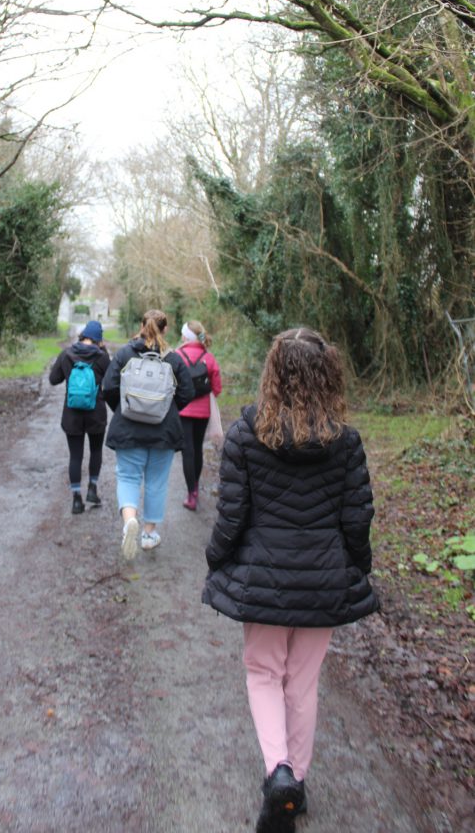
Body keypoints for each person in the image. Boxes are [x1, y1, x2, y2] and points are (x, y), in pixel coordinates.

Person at [202, 327, 378, 833]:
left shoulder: (245, 434)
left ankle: (278, 770)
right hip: (324, 580)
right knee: (303, 682)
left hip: (261, 577)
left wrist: (217, 560)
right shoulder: (345, 442)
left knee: (262, 672)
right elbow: (356, 519)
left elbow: (231, 517)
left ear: (272, 374)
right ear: (329, 376)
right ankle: (295, 783)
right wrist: (356, 569)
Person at [102, 309, 194, 559]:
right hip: (163, 433)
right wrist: (167, 410)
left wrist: (124, 409)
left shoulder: (124, 353)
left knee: (128, 478)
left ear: (141, 326)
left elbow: (108, 387)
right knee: (156, 483)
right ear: (165, 329)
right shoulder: (173, 359)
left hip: (128, 430)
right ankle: (149, 534)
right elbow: (188, 391)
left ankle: (129, 520)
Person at [49, 320, 110, 515]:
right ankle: (92, 489)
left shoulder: (66, 354)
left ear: (82, 335)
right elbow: (111, 383)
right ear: (98, 339)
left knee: (75, 456)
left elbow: (53, 379)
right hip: (96, 413)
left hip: (72, 414)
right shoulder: (102, 357)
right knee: (96, 451)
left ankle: (76, 500)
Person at [176, 319, 222, 511]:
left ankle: (191, 494)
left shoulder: (177, 355)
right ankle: (195, 488)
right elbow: (217, 388)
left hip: (184, 410)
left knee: (187, 451)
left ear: (185, 336)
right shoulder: (209, 357)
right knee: (197, 448)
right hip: (203, 411)